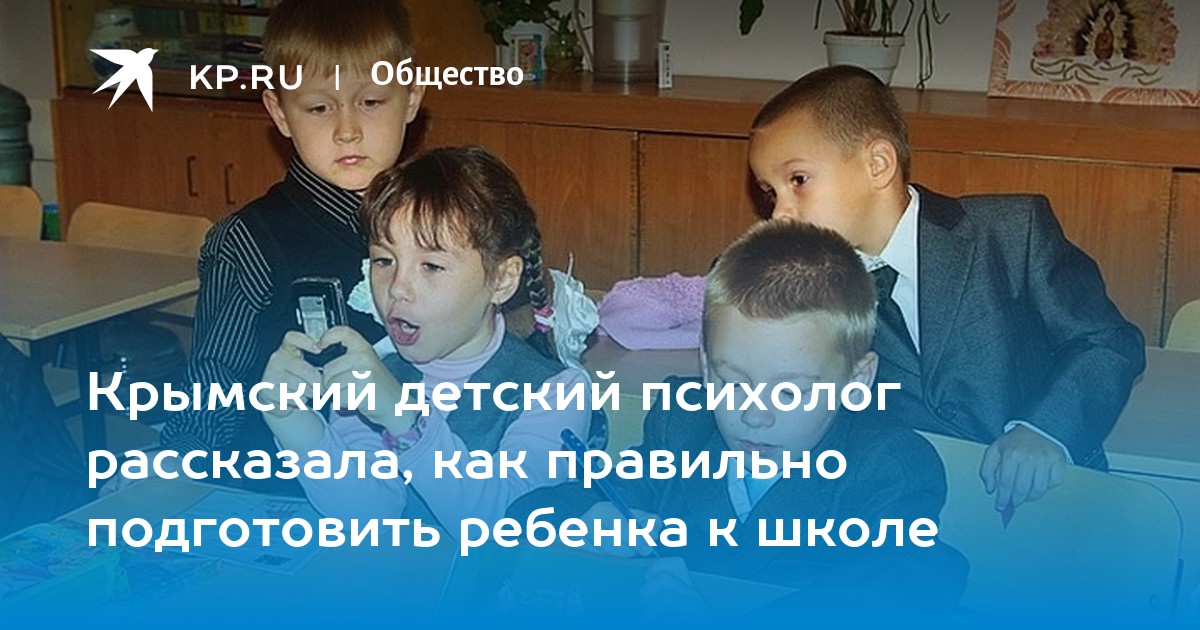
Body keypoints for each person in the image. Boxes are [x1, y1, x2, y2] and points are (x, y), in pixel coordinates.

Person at [510, 220, 967, 614]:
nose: (754, 414)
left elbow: (910, 584)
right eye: (732, 381)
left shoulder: (888, 465)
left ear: (856, 379)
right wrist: (583, 520)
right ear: (707, 366)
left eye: (789, 391)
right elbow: (527, 515)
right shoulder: (683, 427)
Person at [746, 65, 1145, 511]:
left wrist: (1045, 431)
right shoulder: (803, 288)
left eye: (798, 181)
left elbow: (1107, 341)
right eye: (770, 192)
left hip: (1049, 500)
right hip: (906, 510)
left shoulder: (1013, 232)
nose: (779, 212)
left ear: (878, 165)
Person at [154, 0, 426, 484]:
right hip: (290, 493)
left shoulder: (443, 223)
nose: (347, 131)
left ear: (410, 98)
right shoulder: (247, 241)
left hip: (429, 477)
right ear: (280, 113)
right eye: (319, 108)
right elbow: (214, 384)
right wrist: (175, 474)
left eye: (371, 102)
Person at [260, 146, 592, 526]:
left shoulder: (556, 391)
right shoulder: (376, 369)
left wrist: (406, 420)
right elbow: (371, 512)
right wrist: (292, 420)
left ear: (501, 280)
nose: (397, 288)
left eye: (432, 266)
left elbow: (509, 523)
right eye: (384, 260)